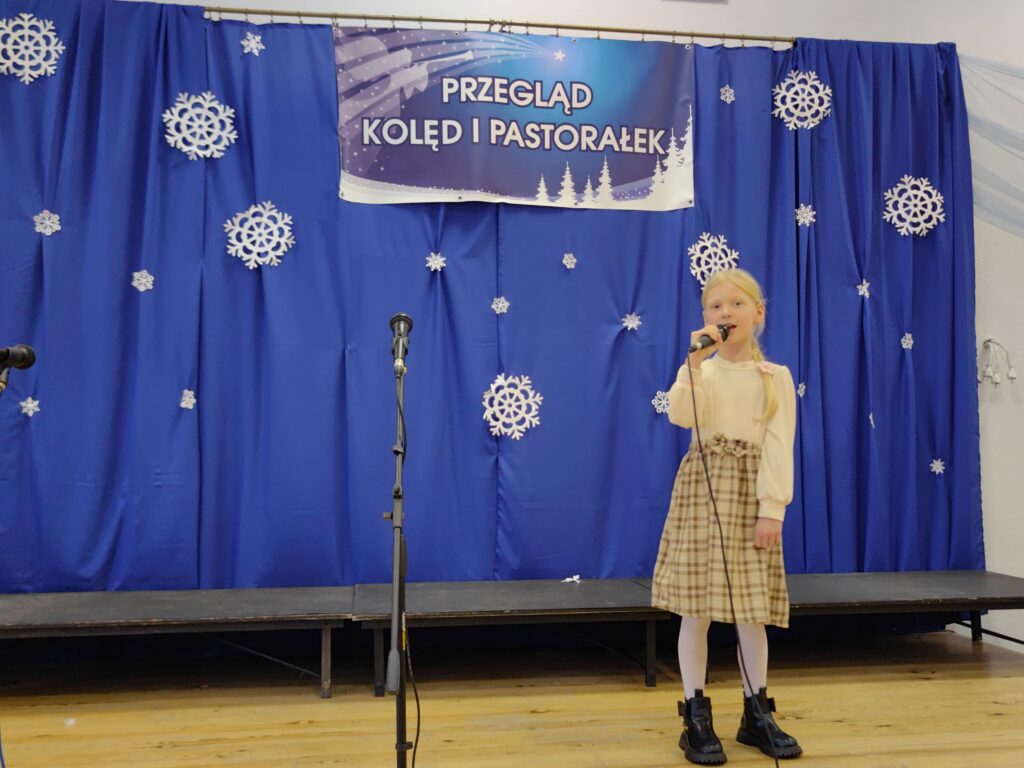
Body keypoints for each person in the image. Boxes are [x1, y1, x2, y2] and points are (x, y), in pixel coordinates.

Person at [652, 268, 802, 764]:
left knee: (750, 612)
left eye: (736, 304)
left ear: (758, 312)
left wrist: (772, 508)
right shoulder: (702, 371)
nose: (725, 313)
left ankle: (756, 712)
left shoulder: (774, 377)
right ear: (705, 318)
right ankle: (695, 715)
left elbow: (778, 445)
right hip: (703, 493)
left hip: (751, 497)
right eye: (715, 306)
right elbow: (680, 414)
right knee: (696, 609)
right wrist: (693, 364)